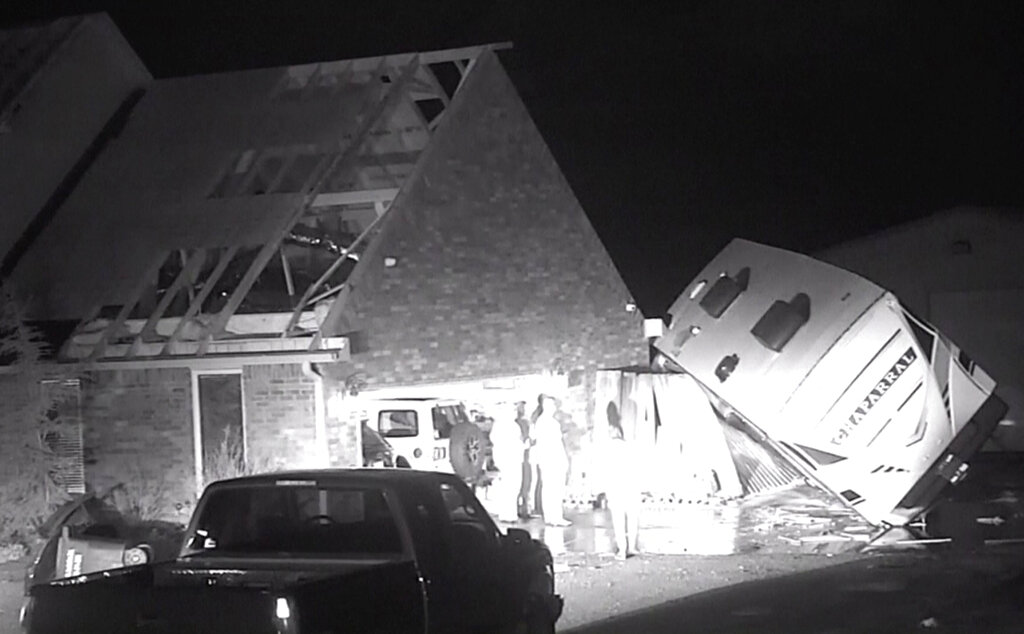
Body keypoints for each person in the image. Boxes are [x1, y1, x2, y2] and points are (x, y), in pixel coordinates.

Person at [604, 421, 642, 560]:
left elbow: (606, 471)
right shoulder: (629, 447)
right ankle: (632, 546)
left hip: (616, 486)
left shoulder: (608, 448)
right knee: (632, 517)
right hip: (630, 485)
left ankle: (622, 549)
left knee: (618, 519)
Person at [532, 395, 570, 526]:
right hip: (550, 459)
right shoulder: (543, 423)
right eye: (551, 405)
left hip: (555, 458)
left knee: (556, 488)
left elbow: (559, 443)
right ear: (545, 406)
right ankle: (552, 517)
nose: (554, 408)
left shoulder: (553, 422)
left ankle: (555, 516)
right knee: (551, 488)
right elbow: (545, 444)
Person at [488, 405, 527, 523]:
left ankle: (510, 513)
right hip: (509, 460)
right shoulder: (503, 425)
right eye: (513, 410)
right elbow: (505, 444)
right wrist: (523, 446)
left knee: (513, 486)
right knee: (510, 486)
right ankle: (507, 514)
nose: (515, 412)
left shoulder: (512, 425)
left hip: (514, 459)